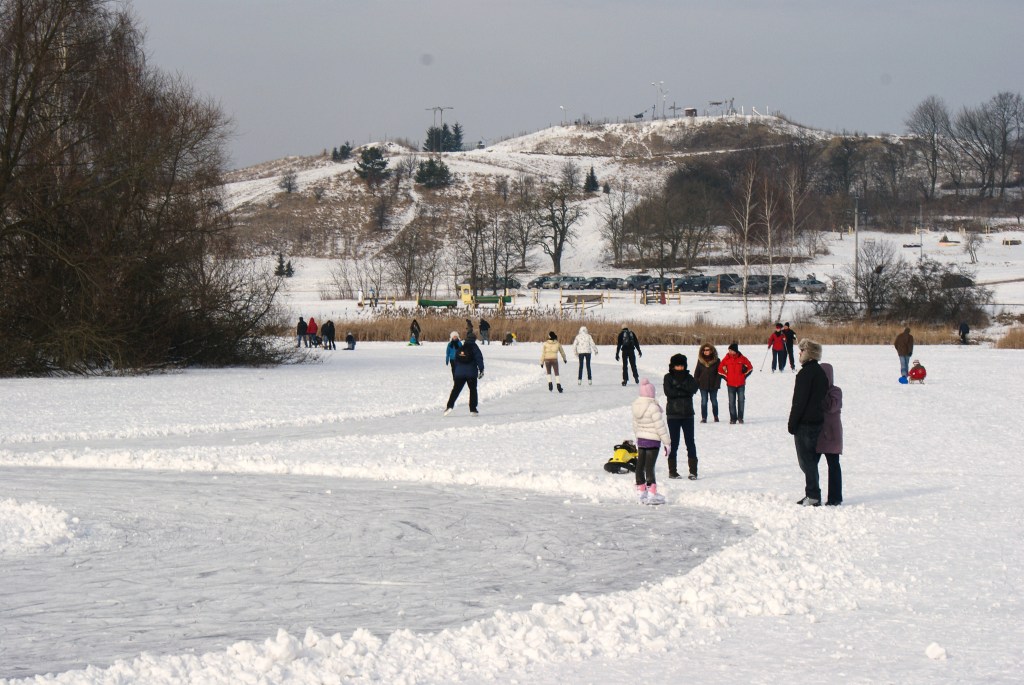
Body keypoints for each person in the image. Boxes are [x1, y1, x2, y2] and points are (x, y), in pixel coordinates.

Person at [788, 339, 829, 507]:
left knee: (807, 462)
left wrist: (792, 422)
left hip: (805, 423)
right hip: (817, 421)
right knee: (810, 461)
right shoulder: (820, 372)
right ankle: (812, 493)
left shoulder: (805, 374)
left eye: (802, 351)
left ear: (808, 353)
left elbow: (799, 401)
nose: (799, 354)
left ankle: (813, 495)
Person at [631, 378, 671, 504]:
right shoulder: (653, 407)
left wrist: (638, 437)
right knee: (650, 466)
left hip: (641, 440)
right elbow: (660, 426)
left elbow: (635, 425)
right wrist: (667, 442)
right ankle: (652, 492)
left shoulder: (636, 405)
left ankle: (641, 489)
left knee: (640, 465)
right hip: (653, 441)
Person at [663, 353, 699, 480]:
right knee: (674, 442)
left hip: (688, 414)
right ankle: (672, 471)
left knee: (690, 442)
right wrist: (684, 391)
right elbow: (669, 392)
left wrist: (679, 390)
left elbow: (694, 389)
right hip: (673, 414)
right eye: (677, 365)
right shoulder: (668, 377)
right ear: (673, 366)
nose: (679, 368)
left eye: (682, 365)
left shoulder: (689, 377)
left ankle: (693, 471)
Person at [817, 362, 843, 506]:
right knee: (811, 464)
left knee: (833, 465)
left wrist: (821, 393)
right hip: (818, 432)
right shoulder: (815, 389)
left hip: (832, 434)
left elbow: (831, 407)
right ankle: (813, 494)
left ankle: (835, 497)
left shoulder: (835, 391)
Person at [444, 333, 484, 416]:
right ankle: (473, 409)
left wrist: (457, 371)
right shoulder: (475, 347)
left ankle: (449, 406)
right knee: (472, 390)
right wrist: (481, 369)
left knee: (456, 390)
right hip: (471, 374)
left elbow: (456, 360)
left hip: (460, 373)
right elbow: (479, 358)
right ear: (474, 339)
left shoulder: (462, 347)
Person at [718, 342, 753, 424]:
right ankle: (733, 418)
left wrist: (744, 376)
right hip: (730, 385)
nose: (729, 352)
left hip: (741, 384)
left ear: (735, 351)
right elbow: (720, 370)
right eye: (729, 350)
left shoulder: (742, 358)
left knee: (741, 401)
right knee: (731, 402)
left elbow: (750, 368)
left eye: (731, 350)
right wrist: (726, 378)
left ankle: (740, 418)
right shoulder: (726, 359)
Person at [693, 343, 721, 423]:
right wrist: (696, 383)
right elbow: (696, 373)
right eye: (704, 350)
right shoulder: (700, 361)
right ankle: (704, 418)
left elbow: (719, 374)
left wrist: (717, 384)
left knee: (714, 401)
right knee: (704, 402)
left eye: (707, 350)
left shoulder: (717, 361)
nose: (705, 351)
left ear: (711, 351)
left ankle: (716, 416)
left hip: (713, 385)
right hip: (703, 385)